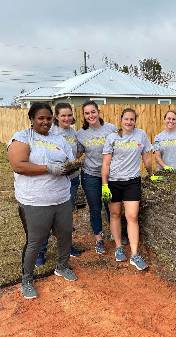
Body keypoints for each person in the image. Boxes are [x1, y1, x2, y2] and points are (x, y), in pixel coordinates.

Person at [7, 102, 77, 299]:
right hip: (35, 200)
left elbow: (69, 162)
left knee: (65, 235)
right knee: (35, 241)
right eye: (41, 118)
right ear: (32, 119)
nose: (45, 122)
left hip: (61, 197)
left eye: (48, 118)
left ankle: (62, 266)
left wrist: (71, 168)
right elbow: (18, 165)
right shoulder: (23, 137)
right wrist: (48, 168)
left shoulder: (59, 139)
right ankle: (27, 279)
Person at [101, 108, 153, 270]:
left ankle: (135, 254)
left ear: (135, 121)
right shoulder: (112, 137)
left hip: (132, 181)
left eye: (132, 119)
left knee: (132, 216)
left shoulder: (141, 135)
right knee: (115, 214)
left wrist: (151, 174)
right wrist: (104, 185)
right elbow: (106, 163)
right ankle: (118, 247)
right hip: (114, 182)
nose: (129, 122)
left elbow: (146, 157)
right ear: (121, 120)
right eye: (126, 119)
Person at [35, 102, 81, 266]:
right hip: (54, 181)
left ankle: (67, 247)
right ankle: (41, 252)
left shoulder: (73, 132)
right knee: (47, 217)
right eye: (63, 115)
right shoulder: (51, 132)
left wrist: (73, 165)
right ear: (56, 116)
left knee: (65, 217)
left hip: (72, 180)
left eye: (69, 115)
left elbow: (77, 151)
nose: (67, 118)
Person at [77, 100, 116, 254]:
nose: (90, 115)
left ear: (98, 112)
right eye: (87, 113)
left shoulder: (111, 129)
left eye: (93, 112)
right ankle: (99, 239)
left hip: (110, 174)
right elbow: (78, 152)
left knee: (111, 205)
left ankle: (115, 232)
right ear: (84, 116)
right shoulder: (80, 134)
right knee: (95, 207)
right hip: (90, 175)